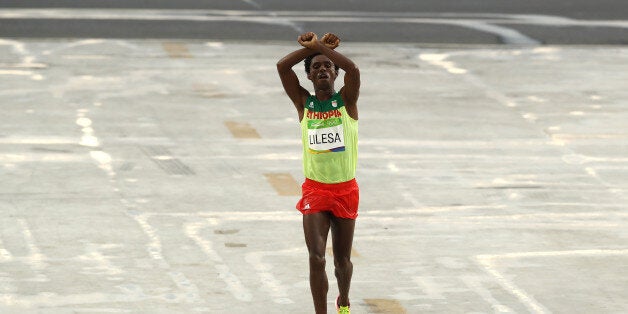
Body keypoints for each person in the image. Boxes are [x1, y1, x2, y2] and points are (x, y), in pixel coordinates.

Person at [276, 32, 360, 314]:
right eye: (316, 68)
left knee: (341, 263)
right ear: (309, 77)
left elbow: (354, 70)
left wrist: (321, 48)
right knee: (316, 257)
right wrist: (311, 49)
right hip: (316, 190)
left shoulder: (347, 102)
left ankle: (344, 300)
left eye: (327, 66)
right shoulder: (304, 104)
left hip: (346, 190)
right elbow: (282, 67)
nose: (322, 69)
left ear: (335, 74)